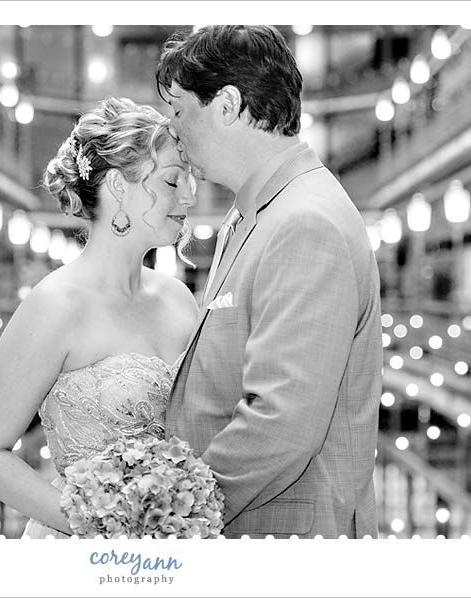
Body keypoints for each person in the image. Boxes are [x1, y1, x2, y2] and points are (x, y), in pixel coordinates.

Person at [157, 25, 382, 538]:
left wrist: (176, 514)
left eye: (179, 110)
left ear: (228, 105)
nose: (173, 129)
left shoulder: (305, 222)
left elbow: (281, 422)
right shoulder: (255, 212)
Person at [0, 97, 199, 537]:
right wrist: (98, 524)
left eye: (189, 180)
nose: (189, 196)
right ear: (119, 186)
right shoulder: (55, 306)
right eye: (172, 180)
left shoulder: (179, 298)